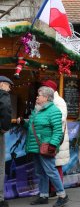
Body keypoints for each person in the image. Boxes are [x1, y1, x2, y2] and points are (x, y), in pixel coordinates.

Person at [17, 86, 69, 207]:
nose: (36, 97)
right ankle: (43, 195)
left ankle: (62, 195)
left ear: (46, 97)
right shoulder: (37, 110)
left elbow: (57, 131)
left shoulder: (54, 111)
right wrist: (24, 123)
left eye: (39, 95)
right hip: (36, 147)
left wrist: (53, 145)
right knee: (40, 172)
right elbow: (32, 125)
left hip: (46, 147)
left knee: (51, 171)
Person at [41, 80, 70, 198]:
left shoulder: (58, 101)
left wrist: (46, 120)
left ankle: (56, 190)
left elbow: (61, 118)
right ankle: (51, 189)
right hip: (50, 137)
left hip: (56, 138)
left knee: (56, 165)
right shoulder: (49, 100)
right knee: (50, 165)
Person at [0, 76, 13, 207]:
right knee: (0, 166)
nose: (9, 89)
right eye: (8, 86)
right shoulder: (3, 94)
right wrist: (5, 127)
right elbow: (6, 109)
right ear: (2, 85)